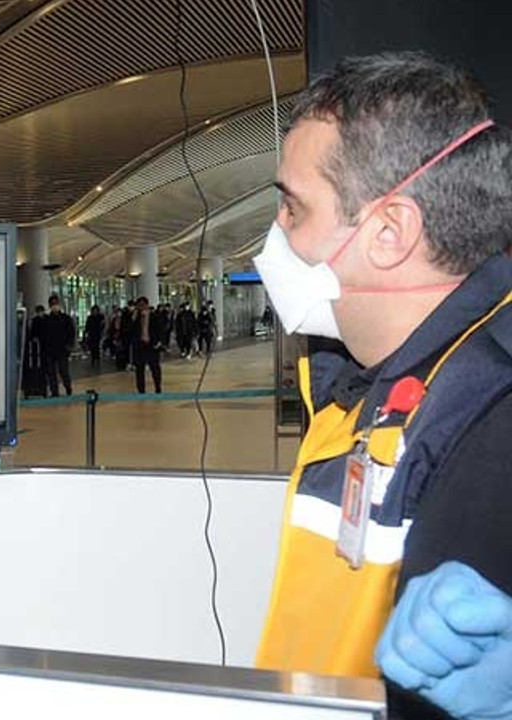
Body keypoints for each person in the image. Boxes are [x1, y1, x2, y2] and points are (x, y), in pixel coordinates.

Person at [250, 52, 512, 719]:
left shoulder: (489, 431)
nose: (276, 231)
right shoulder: (355, 387)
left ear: (389, 232)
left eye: (293, 206)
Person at [40, 295, 76, 397]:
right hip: (49, 351)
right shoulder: (46, 320)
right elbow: (43, 335)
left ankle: (68, 387)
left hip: (62, 350)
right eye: (52, 304)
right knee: (51, 373)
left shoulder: (66, 318)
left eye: (56, 303)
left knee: (63, 371)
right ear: (49, 305)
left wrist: (69, 345)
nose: (54, 306)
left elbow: (71, 333)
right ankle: (54, 391)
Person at [130, 297, 166, 394]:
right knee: (139, 369)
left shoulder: (155, 316)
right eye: (139, 305)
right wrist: (133, 319)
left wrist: (159, 342)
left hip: (152, 346)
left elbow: (161, 330)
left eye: (143, 305)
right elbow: (129, 331)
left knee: (155, 368)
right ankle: (141, 390)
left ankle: (158, 387)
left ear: (147, 305)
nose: (141, 307)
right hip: (139, 346)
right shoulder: (135, 317)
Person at [83, 305, 105, 371]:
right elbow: (87, 326)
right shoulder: (90, 318)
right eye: (94, 311)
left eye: (96, 310)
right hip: (91, 334)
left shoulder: (100, 317)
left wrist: (102, 331)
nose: (95, 312)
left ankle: (97, 358)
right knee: (92, 347)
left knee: (96, 346)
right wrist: (86, 334)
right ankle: (93, 358)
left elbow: (103, 325)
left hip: (97, 334)